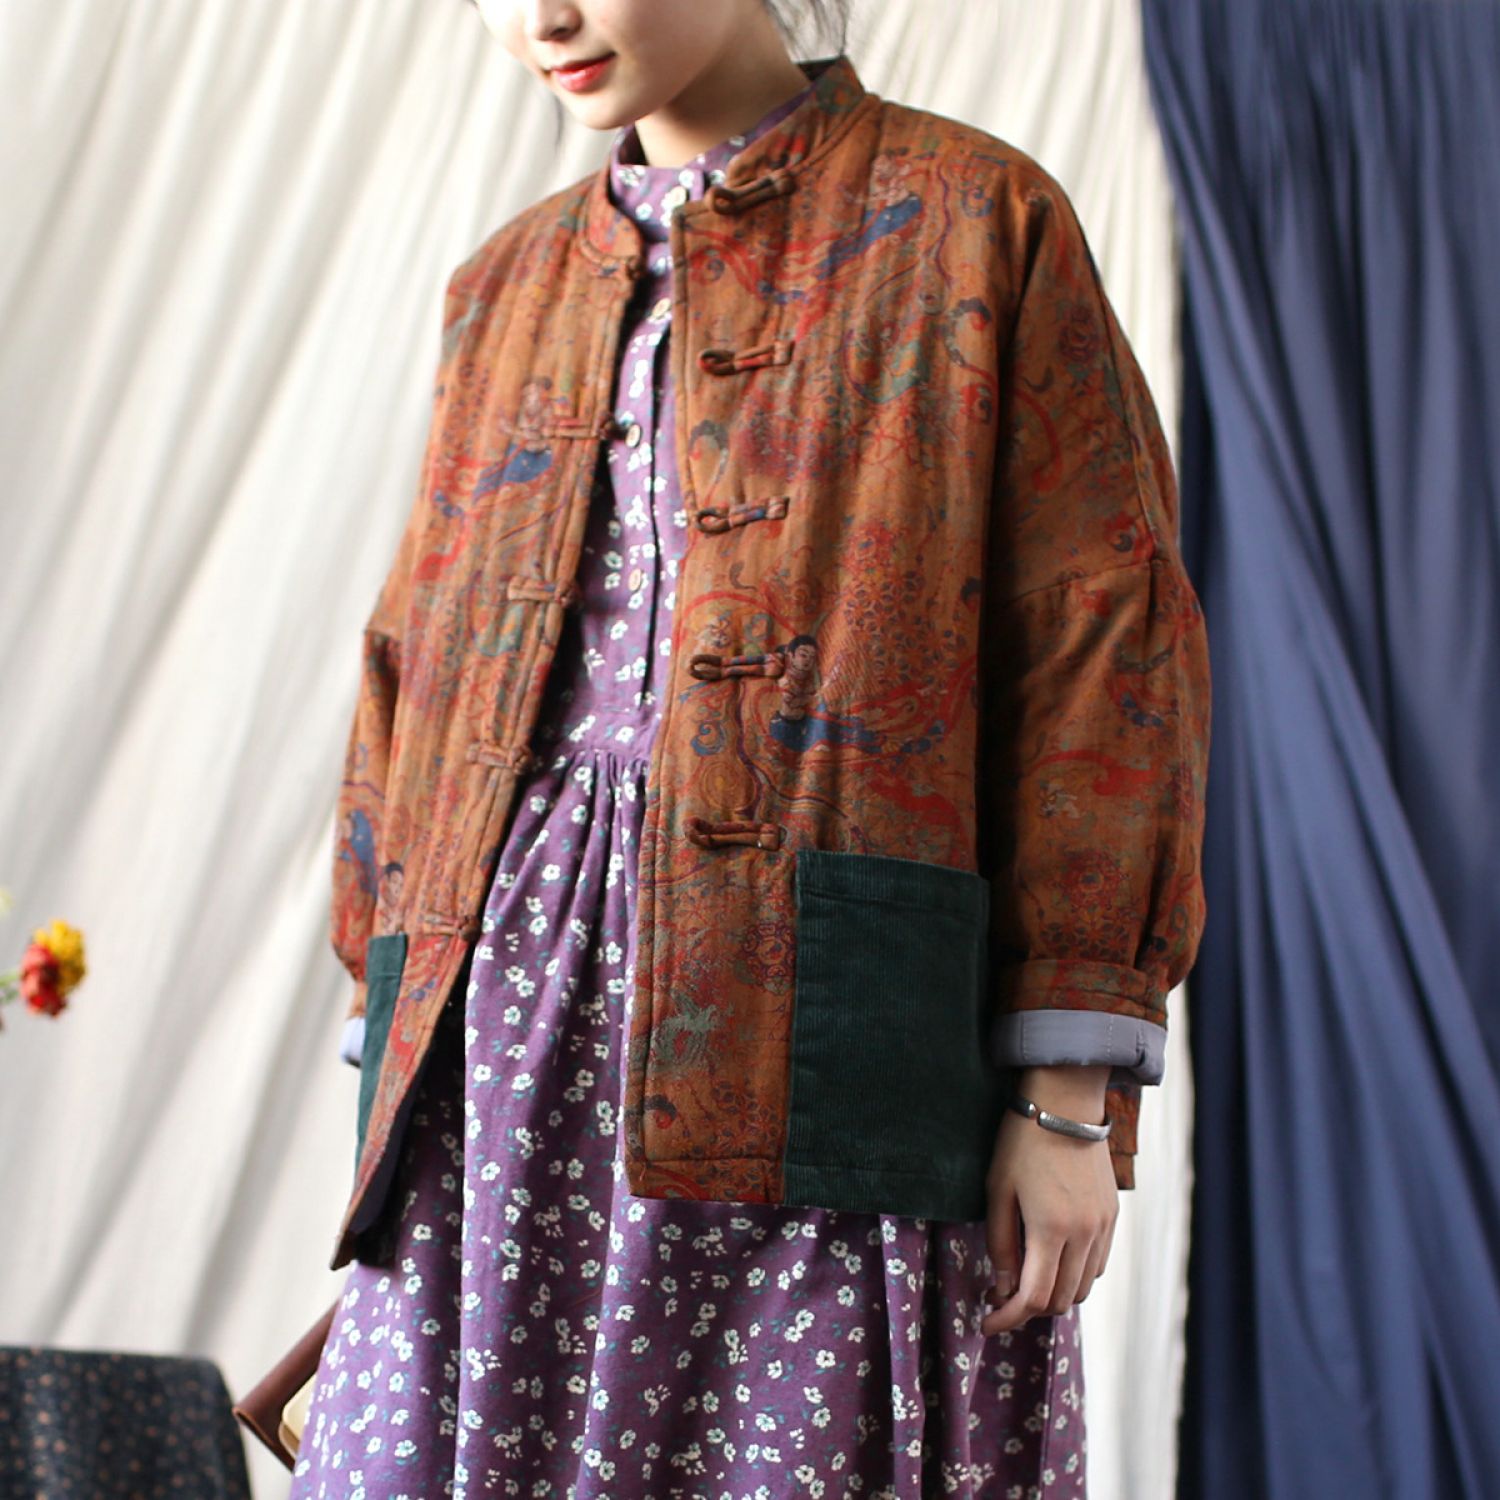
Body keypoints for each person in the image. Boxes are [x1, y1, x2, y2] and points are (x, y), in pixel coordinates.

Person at [290, 1, 1210, 1495]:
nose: (543, 18)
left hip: (827, 1022)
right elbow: (410, 676)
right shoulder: (505, 283)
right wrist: (393, 1040)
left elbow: (1102, 654)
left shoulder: (973, 219)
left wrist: (1065, 1095)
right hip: (505, 1028)